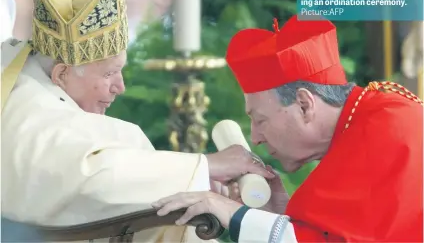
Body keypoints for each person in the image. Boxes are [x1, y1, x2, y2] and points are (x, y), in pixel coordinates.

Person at [0, 0, 273, 242]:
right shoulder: (27, 108)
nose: (121, 86)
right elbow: (89, 176)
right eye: (108, 74)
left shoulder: (27, 73)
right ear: (61, 73)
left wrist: (197, 180)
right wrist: (204, 166)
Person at [153, 15, 424, 242]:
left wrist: (230, 211)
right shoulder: (367, 120)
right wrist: (277, 216)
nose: (256, 138)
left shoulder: (388, 129)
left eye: (260, 120)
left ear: (305, 105)